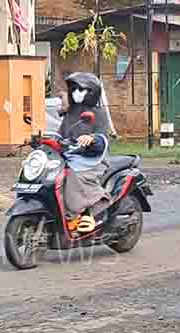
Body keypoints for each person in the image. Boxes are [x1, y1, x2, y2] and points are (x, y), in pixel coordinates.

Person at [58, 72, 116, 233]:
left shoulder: (99, 114)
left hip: (93, 160)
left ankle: (87, 212)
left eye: (81, 90)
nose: (77, 93)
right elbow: (60, 135)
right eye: (74, 89)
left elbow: (102, 139)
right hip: (71, 157)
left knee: (73, 176)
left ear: (92, 92)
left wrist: (91, 139)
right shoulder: (70, 113)